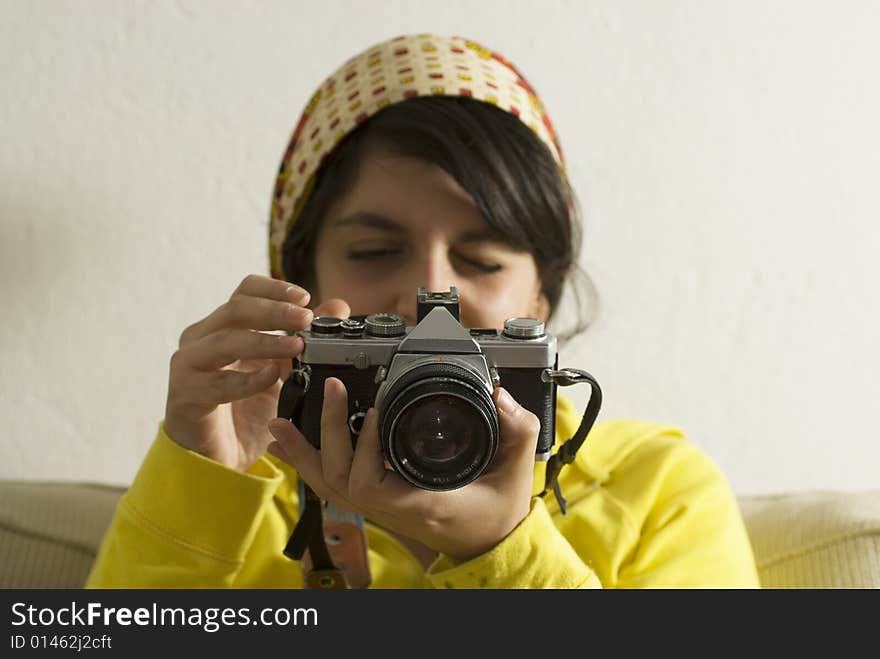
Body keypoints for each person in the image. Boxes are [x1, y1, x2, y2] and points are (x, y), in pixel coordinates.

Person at [86, 34, 760, 589]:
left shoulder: (653, 489)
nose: (429, 292)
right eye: (376, 250)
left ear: (541, 300)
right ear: (305, 288)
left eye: (483, 259)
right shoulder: (243, 482)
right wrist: (200, 486)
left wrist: (502, 549)